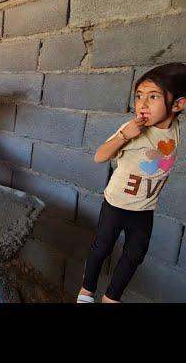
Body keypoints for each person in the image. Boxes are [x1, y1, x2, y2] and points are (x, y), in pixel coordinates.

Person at [77, 63, 186, 303]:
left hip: (144, 209)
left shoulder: (175, 128)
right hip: (116, 204)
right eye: (139, 96)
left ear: (178, 105)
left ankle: (111, 298)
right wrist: (125, 135)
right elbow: (100, 156)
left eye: (153, 96)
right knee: (102, 248)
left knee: (135, 254)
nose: (142, 104)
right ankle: (86, 292)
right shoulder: (133, 129)